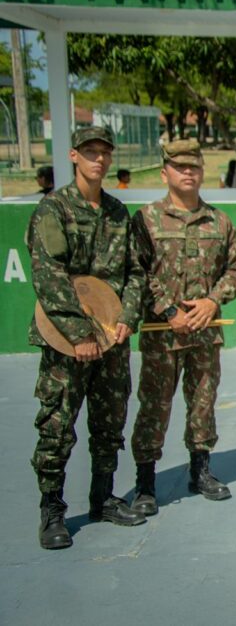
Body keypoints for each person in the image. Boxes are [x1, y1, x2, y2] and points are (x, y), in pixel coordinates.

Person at [26, 126, 146, 550]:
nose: (99, 160)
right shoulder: (54, 210)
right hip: (65, 341)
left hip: (113, 338)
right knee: (57, 424)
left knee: (110, 420)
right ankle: (52, 510)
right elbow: (49, 275)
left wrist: (129, 318)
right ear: (74, 156)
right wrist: (78, 333)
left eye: (105, 153)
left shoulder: (117, 213)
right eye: (91, 152)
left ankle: (103, 497)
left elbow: (136, 273)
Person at [129, 139, 236, 516]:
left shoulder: (219, 221)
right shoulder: (145, 219)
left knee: (203, 403)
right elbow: (137, 272)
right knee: (154, 407)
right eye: (179, 167)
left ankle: (201, 470)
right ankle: (145, 482)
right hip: (162, 335)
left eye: (194, 166)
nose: (188, 173)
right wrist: (168, 311)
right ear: (165, 173)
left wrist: (213, 300)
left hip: (205, 333)